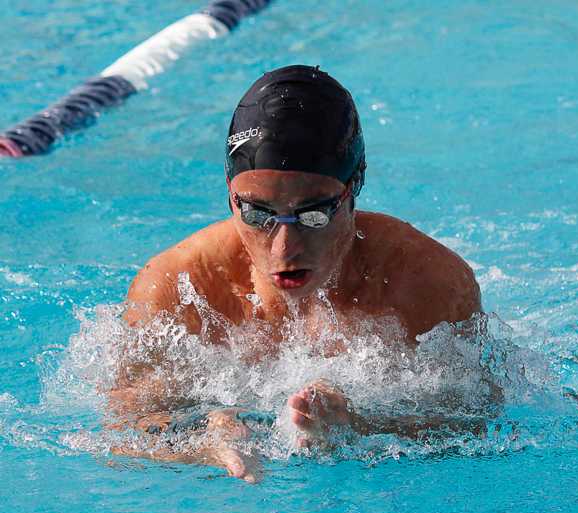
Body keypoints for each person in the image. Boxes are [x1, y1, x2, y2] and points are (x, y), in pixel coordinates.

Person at [109, 65, 483, 482]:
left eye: (314, 213)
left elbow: (482, 416)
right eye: (257, 212)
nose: (284, 248)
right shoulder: (177, 288)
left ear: (352, 189)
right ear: (230, 197)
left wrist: (360, 425)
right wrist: (198, 443)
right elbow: (123, 429)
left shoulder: (426, 282)